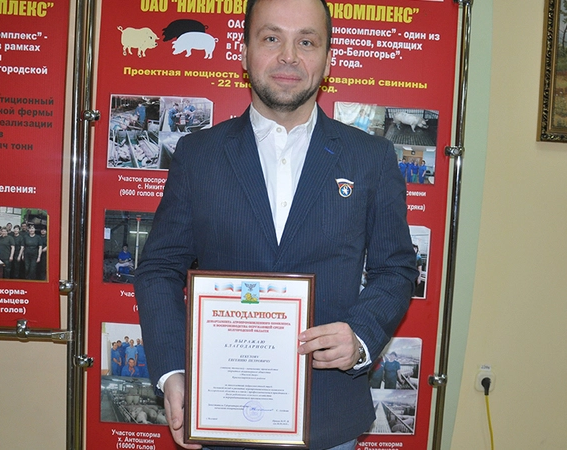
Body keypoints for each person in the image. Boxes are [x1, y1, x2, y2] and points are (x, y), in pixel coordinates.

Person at [134, 1, 416, 448]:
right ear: (244, 53)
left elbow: (396, 268)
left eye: (306, 41)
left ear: (328, 59)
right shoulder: (198, 155)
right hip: (220, 412)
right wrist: (173, 372)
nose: (289, 56)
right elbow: (159, 269)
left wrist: (361, 336)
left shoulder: (371, 158)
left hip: (328, 420)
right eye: (271, 38)